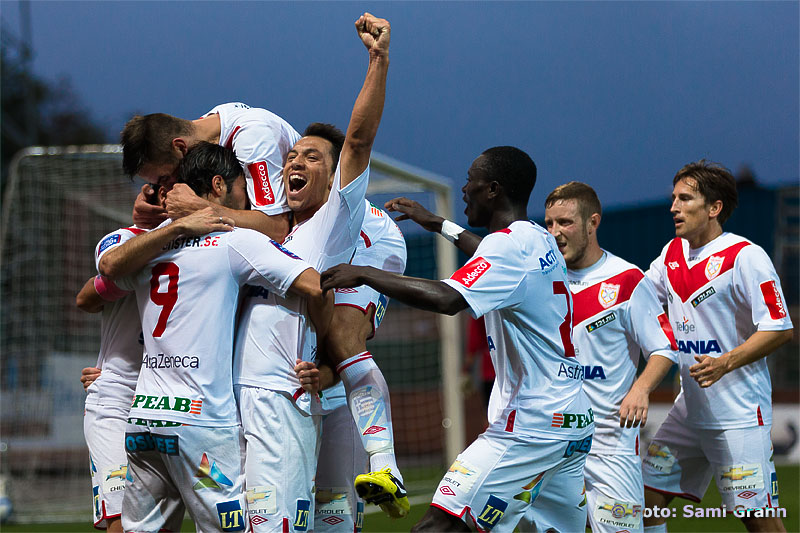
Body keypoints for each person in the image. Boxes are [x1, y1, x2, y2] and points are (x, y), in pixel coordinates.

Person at [322, 146, 595, 532]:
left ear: (493, 190)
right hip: (571, 419)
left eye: (472, 179)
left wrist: (366, 273)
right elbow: (488, 254)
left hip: (531, 424)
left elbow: (448, 298)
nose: (465, 188)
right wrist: (437, 224)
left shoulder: (508, 247)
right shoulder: (536, 237)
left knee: (439, 526)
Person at [100, 142, 331, 533]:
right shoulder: (233, 239)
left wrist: (171, 227)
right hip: (199, 425)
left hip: (144, 424)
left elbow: (106, 272)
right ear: (221, 185)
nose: (248, 206)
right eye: (244, 193)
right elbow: (315, 285)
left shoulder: (150, 245)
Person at [230, 13, 403, 531]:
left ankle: (385, 465)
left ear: (333, 180)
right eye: (292, 155)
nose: (295, 162)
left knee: (323, 520)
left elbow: (358, 143)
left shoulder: (334, 225)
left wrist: (378, 60)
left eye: (311, 157)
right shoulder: (265, 230)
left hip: (299, 395)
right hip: (236, 402)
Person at [641, 160, 793, 533]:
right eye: (673, 198)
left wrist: (726, 362)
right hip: (688, 413)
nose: (673, 207)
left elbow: (780, 328)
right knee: (642, 503)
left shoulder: (746, 257)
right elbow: (637, 301)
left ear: (714, 208)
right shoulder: (671, 254)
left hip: (738, 417)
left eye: (685, 198)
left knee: (759, 521)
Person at [516, 181, 677, 533]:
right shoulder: (542, 280)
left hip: (609, 442)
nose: (555, 233)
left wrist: (641, 389)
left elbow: (664, 348)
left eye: (565, 223)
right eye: (549, 224)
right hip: (550, 440)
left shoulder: (626, 280)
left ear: (593, 222)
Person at [309, 204, 407, 530]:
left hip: (332, 400)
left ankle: (385, 465)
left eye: (312, 155)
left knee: (342, 335)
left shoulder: (367, 225)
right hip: (262, 402)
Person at [121, 100, 300, 240]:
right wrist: (151, 210)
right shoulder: (205, 131)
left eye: (165, 178)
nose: (168, 188)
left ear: (180, 148)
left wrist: (202, 208)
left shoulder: (254, 139)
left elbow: (277, 229)